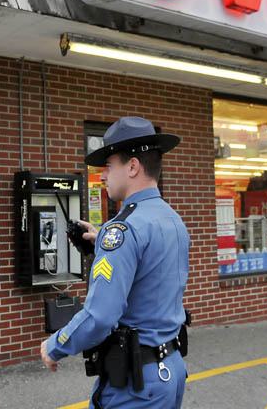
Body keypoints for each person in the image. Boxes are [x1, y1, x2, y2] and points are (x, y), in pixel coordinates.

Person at [39, 116, 190, 408]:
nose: (104, 176)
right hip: (170, 371)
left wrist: (55, 344)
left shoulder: (122, 231)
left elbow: (100, 316)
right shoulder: (173, 219)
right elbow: (151, 273)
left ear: (132, 166)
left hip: (136, 387)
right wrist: (103, 244)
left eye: (109, 167)